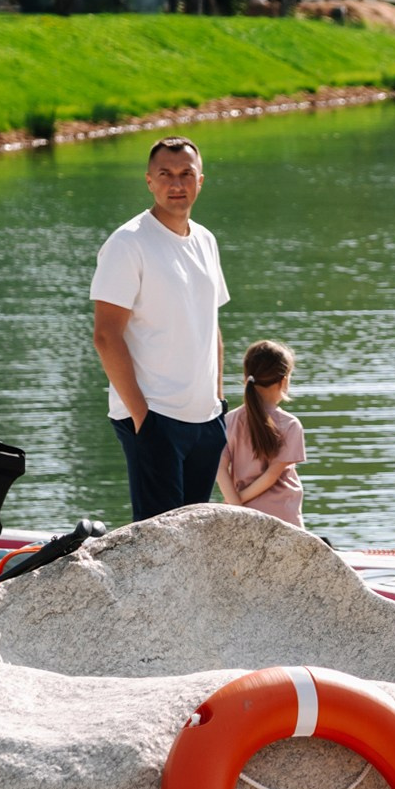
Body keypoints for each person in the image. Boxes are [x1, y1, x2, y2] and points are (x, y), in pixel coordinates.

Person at [91, 137, 230, 522]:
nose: (177, 184)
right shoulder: (128, 243)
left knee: (192, 539)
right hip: (154, 417)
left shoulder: (205, 240)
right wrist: (143, 420)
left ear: (201, 180)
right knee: (158, 546)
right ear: (149, 181)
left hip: (205, 421)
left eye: (186, 174)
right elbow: (105, 336)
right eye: (166, 174)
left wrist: (218, 403)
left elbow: (211, 324)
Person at [218, 340, 306, 529]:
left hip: (242, 516)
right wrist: (238, 504)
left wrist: (235, 506)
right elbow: (271, 476)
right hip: (284, 518)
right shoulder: (290, 425)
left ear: (246, 377)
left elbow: (220, 469)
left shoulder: (228, 421)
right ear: (283, 381)